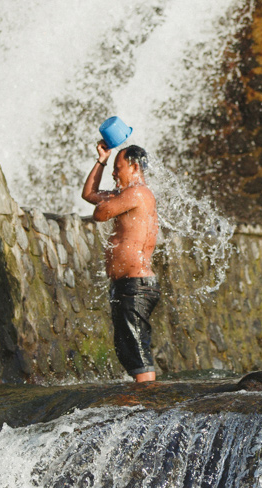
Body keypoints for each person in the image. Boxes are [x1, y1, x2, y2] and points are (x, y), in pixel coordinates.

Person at [81, 141, 160, 383]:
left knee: (137, 352)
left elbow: (99, 213)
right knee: (129, 350)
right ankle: (143, 403)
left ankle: (148, 405)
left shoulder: (137, 193)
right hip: (128, 285)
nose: (114, 173)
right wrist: (102, 160)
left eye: (118, 166)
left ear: (135, 167)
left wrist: (109, 200)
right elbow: (89, 195)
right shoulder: (127, 194)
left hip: (136, 284)